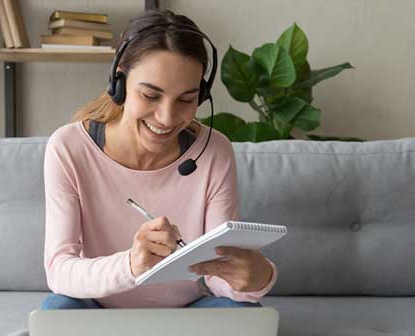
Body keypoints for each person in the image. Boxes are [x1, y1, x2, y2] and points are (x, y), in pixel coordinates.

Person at [41, 9, 277, 310]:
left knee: (243, 312)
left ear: (201, 96)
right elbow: (60, 270)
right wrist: (130, 265)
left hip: (189, 312)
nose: (166, 118)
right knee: (58, 310)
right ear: (119, 83)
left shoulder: (215, 151)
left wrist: (258, 278)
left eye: (186, 99)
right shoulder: (69, 148)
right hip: (98, 311)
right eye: (151, 96)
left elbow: (216, 273)